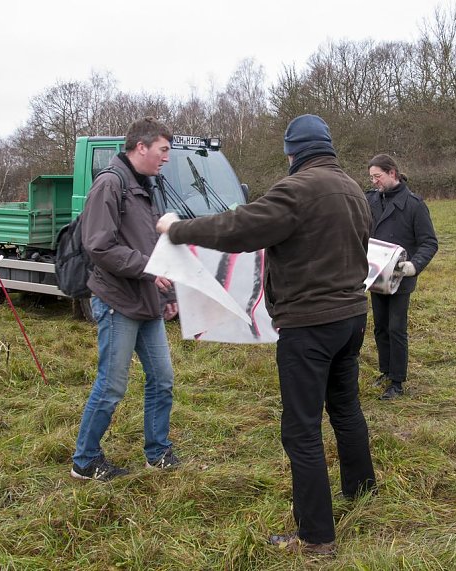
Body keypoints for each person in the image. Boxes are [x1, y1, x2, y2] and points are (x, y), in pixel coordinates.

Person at [157, 114, 376, 555]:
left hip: (310, 325)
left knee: (301, 431)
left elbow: (237, 227)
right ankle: (360, 490)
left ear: (292, 152)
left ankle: (316, 537)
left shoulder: (296, 190)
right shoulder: (354, 189)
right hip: (352, 317)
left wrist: (175, 229)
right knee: (346, 409)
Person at [71, 117, 180, 481]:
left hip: (147, 299)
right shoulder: (110, 184)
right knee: (112, 385)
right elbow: (100, 246)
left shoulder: (145, 186)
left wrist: (168, 293)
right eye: (163, 150)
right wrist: (150, 271)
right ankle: (85, 461)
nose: (166, 158)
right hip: (118, 300)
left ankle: (157, 452)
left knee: (162, 379)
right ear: (141, 147)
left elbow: (154, 245)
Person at [366, 154, 438, 400]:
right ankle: (385, 371)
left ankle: (397, 381)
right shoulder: (369, 200)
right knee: (380, 327)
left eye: (378, 176)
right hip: (376, 276)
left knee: (396, 328)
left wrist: (414, 266)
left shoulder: (414, 205)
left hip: (401, 278)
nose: (374, 181)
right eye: (371, 177)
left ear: (392, 173)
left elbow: (429, 242)